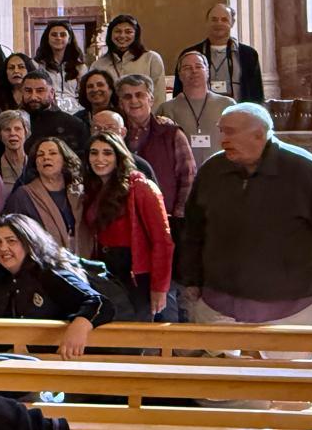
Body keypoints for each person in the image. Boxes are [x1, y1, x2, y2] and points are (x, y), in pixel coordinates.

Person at [181, 104, 312, 330]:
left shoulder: (305, 170)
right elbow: (193, 230)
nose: (222, 140)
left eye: (230, 132)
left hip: (288, 310)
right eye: (221, 131)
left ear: (259, 134)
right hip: (218, 307)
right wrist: (191, 279)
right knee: (220, 365)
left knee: (286, 366)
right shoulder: (212, 170)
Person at [0, 214, 111, 358]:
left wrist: (78, 327)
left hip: (72, 361)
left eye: (11, 241)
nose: (3, 248)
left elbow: (100, 303)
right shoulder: (2, 280)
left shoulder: (50, 273)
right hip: (29, 362)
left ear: (29, 243)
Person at [81, 131, 174, 322]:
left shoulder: (140, 186)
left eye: (107, 153)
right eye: (94, 153)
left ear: (118, 156)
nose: (99, 159)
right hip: (105, 270)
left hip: (135, 273)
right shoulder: (93, 188)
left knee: (137, 333)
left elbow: (162, 241)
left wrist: (159, 288)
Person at [116, 73, 195, 232]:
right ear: (120, 103)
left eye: (140, 95)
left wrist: (179, 217)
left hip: (166, 220)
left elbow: (188, 177)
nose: (134, 101)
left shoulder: (172, 134)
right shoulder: (115, 137)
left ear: (151, 99)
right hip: (125, 222)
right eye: (127, 96)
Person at [4, 137, 85, 252]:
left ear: (65, 160)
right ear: (36, 163)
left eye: (52, 153)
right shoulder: (22, 196)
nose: (46, 157)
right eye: (40, 155)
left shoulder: (79, 193)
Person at [174, 2, 265, 102]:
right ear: (207, 22)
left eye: (224, 19)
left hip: (238, 113)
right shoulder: (190, 54)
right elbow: (179, 92)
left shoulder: (248, 55)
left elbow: (257, 94)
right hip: (199, 115)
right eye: (214, 19)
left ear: (232, 22)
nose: (219, 23)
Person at [162, 50, 234, 167]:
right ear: (179, 75)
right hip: (183, 173)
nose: (194, 71)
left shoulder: (227, 105)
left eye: (199, 66)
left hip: (222, 171)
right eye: (187, 68)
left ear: (207, 72)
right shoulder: (167, 108)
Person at [93, 14, 165, 101]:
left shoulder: (151, 59)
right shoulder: (98, 65)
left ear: (136, 35)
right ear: (110, 34)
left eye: (128, 32)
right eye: (118, 31)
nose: (122, 36)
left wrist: (152, 115)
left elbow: (159, 95)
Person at [17, 71, 88, 156]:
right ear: (22, 92)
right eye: (28, 91)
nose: (33, 97)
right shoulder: (12, 123)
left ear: (52, 93)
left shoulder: (73, 124)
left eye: (40, 91)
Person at [31, 20, 85, 111]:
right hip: (47, 111)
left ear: (69, 39)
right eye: (54, 35)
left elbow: (83, 94)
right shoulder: (36, 65)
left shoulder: (80, 67)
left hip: (76, 112)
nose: (58, 38)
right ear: (47, 38)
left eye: (63, 35)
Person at [0, 109, 31, 188]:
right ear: (0, 134)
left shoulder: (36, 166)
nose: (12, 133)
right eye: (7, 129)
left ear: (26, 132)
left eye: (17, 129)